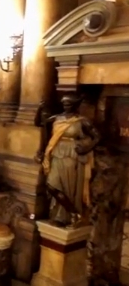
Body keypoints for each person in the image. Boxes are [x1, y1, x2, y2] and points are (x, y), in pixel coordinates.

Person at [35, 94, 101, 226]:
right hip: (56, 153)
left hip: (71, 156)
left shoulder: (82, 121)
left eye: (68, 104)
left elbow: (97, 136)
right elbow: (39, 123)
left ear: (75, 105)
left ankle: (64, 217)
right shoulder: (56, 118)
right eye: (64, 103)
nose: (65, 106)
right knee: (51, 185)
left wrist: (86, 148)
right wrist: (39, 109)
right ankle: (73, 212)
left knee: (67, 188)